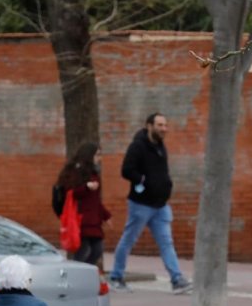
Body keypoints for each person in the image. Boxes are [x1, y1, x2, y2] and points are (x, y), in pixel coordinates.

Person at [108, 113, 192, 294]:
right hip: (141, 204)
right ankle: (116, 277)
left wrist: (166, 185)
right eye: (160, 125)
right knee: (129, 239)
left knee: (166, 243)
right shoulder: (137, 146)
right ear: (149, 126)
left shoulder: (161, 147)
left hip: (161, 205)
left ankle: (177, 279)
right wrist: (143, 181)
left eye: (165, 125)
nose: (164, 129)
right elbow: (126, 170)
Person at [55, 141, 112, 273]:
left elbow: (95, 200)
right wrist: (86, 187)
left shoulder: (94, 174)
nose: (99, 158)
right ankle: (76, 273)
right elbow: (71, 193)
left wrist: (106, 216)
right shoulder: (76, 172)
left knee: (97, 249)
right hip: (80, 219)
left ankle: (83, 272)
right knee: (83, 250)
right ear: (89, 155)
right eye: (97, 155)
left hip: (93, 220)